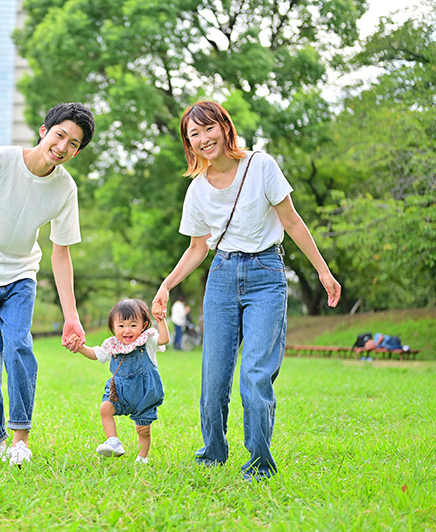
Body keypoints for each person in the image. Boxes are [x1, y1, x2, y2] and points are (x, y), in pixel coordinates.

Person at [151, 101, 341, 481]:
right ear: (188, 144)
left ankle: (259, 463)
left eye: (209, 129)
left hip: (267, 273)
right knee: (214, 374)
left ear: (225, 126)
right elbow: (197, 247)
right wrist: (167, 284)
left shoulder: (261, 166)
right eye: (194, 134)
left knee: (255, 373)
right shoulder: (197, 190)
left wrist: (323, 270)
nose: (204, 139)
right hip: (221, 274)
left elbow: (291, 220)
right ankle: (212, 453)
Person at [0, 102, 95, 466]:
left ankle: (20, 439)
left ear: (77, 152)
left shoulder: (65, 189)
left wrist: (71, 316)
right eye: (60, 135)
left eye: (73, 144)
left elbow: (61, 254)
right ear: (44, 131)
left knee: (18, 349)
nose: (63, 147)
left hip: (20, 277)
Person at [67, 299, 169, 464]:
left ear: (143, 325)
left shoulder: (147, 341)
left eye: (133, 325)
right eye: (121, 326)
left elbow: (164, 339)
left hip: (144, 393)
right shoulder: (112, 345)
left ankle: (142, 458)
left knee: (143, 429)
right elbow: (95, 354)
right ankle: (113, 441)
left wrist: (161, 321)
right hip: (120, 391)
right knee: (105, 408)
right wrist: (79, 348)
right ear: (113, 327)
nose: (127, 331)